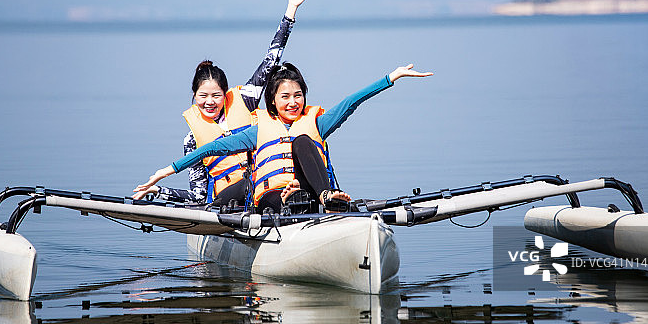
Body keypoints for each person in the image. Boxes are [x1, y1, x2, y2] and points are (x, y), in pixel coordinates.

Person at [133, 61, 432, 213]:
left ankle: (324, 198)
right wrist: (166, 171)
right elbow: (213, 147)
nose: (293, 102)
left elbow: (350, 102)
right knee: (271, 197)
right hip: (271, 197)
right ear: (273, 101)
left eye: (298, 95)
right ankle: (293, 203)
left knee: (302, 140)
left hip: (315, 194)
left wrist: (390, 78)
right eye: (285, 96)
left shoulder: (317, 122)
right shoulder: (259, 129)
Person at [145, 0, 309, 206]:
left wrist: (291, 9)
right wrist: (158, 191)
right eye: (203, 96)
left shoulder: (246, 100)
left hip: (268, 189)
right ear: (194, 96)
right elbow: (198, 196)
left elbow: (272, 58)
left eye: (216, 96)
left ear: (226, 94)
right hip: (228, 200)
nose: (209, 102)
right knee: (250, 182)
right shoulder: (192, 140)